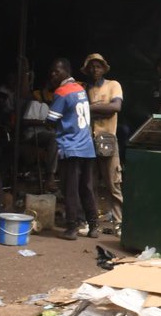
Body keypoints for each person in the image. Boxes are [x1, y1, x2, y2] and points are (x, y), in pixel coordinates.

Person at [46, 58, 99, 241]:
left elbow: (51, 119)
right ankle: (93, 226)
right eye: (52, 71)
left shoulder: (61, 92)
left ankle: (72, 227)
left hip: (71, 147)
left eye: (56, 71)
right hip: (87, 147)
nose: (53, 75)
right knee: (87, 187)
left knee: (70, 189)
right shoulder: (80, 89)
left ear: (65, 72)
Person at [83, 53, 124, 233]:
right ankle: (93, 222)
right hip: (89, 141)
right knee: (90, 184)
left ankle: (118, 222)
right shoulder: (85, 89)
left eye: (98, 66)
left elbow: (115, 108)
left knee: (113, 183)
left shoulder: (113, 85)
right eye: (91, 66)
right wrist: (102, 110)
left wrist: (90, 108)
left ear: (103, 68)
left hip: (108, 139)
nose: (95, 69)